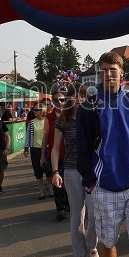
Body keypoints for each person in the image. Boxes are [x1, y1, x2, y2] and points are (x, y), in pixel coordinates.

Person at [77, 52, 129, 257]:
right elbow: (82, 148)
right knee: (108, 243)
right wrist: (91, 182)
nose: (108, 74)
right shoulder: (88, 107)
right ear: (99, 73)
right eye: (104, 70)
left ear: (121, 72)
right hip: (104, 185)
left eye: (113, 70)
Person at [51, 82, 102, 257]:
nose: (80, 100)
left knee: (95, 214)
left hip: (90, 171)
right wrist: (55, 172)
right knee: (77, 216)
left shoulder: (92, 117)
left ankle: (93, 249)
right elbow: (56, 148)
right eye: (76, 96)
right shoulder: (63, 120)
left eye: (83, 96)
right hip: (72, 171)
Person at [42, 87, 69, 220]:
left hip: (70, 155)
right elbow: (45, 137)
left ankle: (68, 203)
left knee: (68, 182)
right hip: (55, 155)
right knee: (58, 183)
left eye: (62, 99)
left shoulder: (71, 115)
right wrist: (42, 156)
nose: (59, 102)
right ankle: (60, 208)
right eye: (56, 100)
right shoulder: (49, 117)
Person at [24, 103, 54, 200]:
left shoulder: (47, 121)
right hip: (35, 148)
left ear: (43, 111)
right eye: (34, 110)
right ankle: (41, 190)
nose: (34, 111)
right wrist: (26, 148)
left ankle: (50, 187)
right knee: (38, 170)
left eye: (37, 110)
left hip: (47, 148)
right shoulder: (32, 123)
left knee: (48, 169)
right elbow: (28, 135)